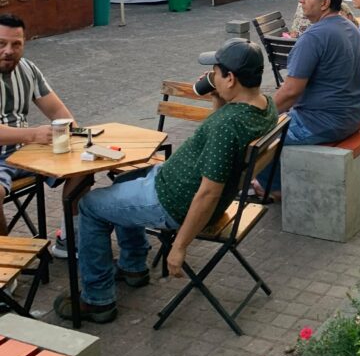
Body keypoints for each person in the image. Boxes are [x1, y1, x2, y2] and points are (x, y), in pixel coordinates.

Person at [53, 40, 277, 324]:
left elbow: (208, 192)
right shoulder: (265, 105)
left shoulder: (227, 125)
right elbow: (224, 145)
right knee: (119, 188)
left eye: (216, 72)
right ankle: (133, 267)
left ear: (231, 78)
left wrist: (180, 246)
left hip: (171, 200)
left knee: (89, 205)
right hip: (171, 183)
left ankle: (97, 299)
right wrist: (218, 97)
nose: (212, 76)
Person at [252, 0, 360, 198]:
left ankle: (271, 187)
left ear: (324, 3)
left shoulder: (313, 37)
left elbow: (290, 92)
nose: (300, 0)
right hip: (352, 115)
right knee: (276, 123)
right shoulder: (349, 27)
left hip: (323, 122)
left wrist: (259, 116)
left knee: (257, 138)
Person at [0, 14, 73, 237]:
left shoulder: (27, 69)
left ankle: (70, 239)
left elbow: (58, 112)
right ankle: (5, 258)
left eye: (16, 44)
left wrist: (74, 135)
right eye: (1, 43)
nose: (8, 51)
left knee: (83, 171)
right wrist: (32, 135)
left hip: (25, 153)